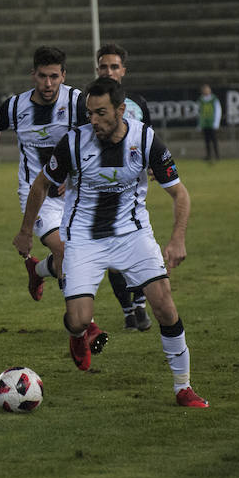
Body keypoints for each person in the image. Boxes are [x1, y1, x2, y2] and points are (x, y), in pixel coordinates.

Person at [12, 76, 209, 408]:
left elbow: (180, 193)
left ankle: (183, 387)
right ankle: (77, 335)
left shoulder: (145, 139)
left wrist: (177, 239)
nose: (93, 120)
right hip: (83, 239)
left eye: (101, 113)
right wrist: (25, 231)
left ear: (120, 110)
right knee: (78, 319)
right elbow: (41, 185)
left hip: (132, 234)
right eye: (90, 113)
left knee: (164, 306)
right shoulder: (75, 142)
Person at [0, 46, 109, 354]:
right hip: (36, 193)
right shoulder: (15, 106)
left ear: (63, 75)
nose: (48, 84)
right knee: (64, 249)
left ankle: (38, 271)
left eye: (54, 77)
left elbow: (96, 137)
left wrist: (73, 175)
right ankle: (85, 327)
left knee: (74, 255)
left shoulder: (77, 102)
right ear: (33, 74)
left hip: (73, 191)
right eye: (42, 76)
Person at [96, 43, 153, 332]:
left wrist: (153, 164)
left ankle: (140, 303)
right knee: (113, 257)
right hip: (100, 189)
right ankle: (128, 310)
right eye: (104, 66)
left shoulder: (138, 104)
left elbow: (149, 137)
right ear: (97, 70)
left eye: (114, 66)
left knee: (137, 249)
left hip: (133, 190)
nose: (109, 71)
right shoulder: (87, 104)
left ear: (123, 71)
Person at [197, 84, 222, 161]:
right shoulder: (201, 100)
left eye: (207, 89)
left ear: (210, 90)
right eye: (204, 90)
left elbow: (218, 110)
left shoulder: (214, 99)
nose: (206, 91)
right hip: (204, 123)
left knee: (214, 140)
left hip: (212, 123)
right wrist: (199, 124)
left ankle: (217, 155)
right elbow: (199, 112)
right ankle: (208, 156)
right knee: (206, 141)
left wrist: (216, 123)